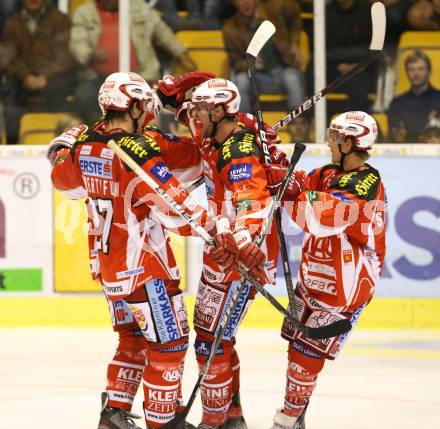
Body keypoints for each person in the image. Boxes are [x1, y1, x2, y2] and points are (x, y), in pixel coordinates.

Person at [48, 71, 244, 429]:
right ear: (134, 106)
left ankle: (113, 414)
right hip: (144, 267)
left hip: (108, 266)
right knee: (169, 346)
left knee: (133, 339)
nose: (150, 115)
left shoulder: (88, 144)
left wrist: (63, 147)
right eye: (146, 108)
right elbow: (174, 206)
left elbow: (63, 180)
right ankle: (163, 422)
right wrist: (219, 232)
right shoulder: (136, 149)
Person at [159, 77, 280, 429]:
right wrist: (178, 86)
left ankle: (214, 421)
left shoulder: (238, 148)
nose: (192, 115)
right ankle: (233, 416)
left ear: (217, 110)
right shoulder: (212, 132)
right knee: (217, 337)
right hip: (223, 247)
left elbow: (252, 199)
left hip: (243, 252)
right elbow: (193, 92)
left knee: (210, 340)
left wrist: (243, 239)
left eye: (198, 109)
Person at [265, 111, 386, 429]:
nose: (329, 142)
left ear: (350, 142)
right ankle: (297, 413)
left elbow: (317, 217)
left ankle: (288, 418)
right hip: (318, 277)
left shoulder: (365, 183)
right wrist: (271, 155)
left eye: (335, 138)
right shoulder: (330, 172)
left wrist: (287, 189)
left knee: (307, 354)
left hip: (347, 284)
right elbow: (302, 182)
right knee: (297, 348)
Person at [69, 0, 196, 123]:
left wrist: (181, 53)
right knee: (84, 95)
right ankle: (102, 130)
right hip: (97, 78)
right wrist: (89, 55)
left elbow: (161, 30)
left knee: (150, 103)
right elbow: (77, 43)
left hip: (141, 76)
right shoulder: (84, 13)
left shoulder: (139, 7)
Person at [2, 0, 75, 144]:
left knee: (61, 89)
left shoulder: (60, 20)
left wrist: (44, 76)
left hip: (53, 79)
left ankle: (63, 144)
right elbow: (9, 57)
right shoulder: (12, 23)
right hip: (21, 80)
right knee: (8, 94)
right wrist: (26, 76)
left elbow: (65, 56)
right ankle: (12, 147)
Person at [222, 0, 304, 114]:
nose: (245, 2)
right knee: (241, 81)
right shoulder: (230, 28)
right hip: (255, 78)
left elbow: (295, 9)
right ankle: (243, 125)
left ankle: (298, 124)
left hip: (281, 71)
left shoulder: (272, 11)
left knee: (292, 79)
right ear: (234, 3)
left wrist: (295, 42)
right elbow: (235, 62)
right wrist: (249, 64)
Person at [388, 49, 440, 142]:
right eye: (411, 69)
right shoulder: (397, 103)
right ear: (407, 72)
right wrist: (398, 136)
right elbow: (393, 139)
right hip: (405, 153)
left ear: (429, 71)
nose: (416, 73)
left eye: (420, 69)